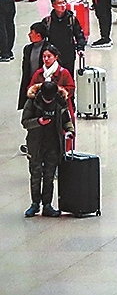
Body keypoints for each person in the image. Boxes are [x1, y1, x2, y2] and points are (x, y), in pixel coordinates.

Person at [20, 65, 71, 216]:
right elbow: (25, 122)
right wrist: (38, 122)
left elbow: (66, 120)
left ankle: (47, 204)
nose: (48, 102)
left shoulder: (60, 102)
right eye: (46, 99)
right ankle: (35, 203)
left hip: (53, 144)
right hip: (36, 144)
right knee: (36, 175)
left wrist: (70, 130)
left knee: (49, 176)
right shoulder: (32, 102)